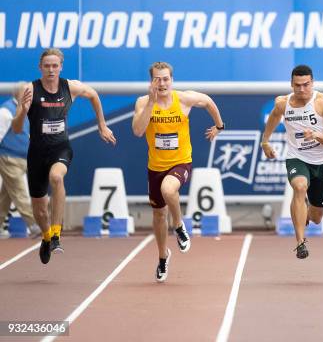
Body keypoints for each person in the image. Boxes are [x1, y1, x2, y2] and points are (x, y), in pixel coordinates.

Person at [12, 48, 116, 264]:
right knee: (39, 209)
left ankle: (57, 234)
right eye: (47, 66)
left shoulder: (71, 87)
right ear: (40, 67)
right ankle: (47, 236)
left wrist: (102, 125)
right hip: (37, 153)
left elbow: (94, 95)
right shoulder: (30, 89)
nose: (51, 69)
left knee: (57, 178)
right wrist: (22, 110)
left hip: (61, 148)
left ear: (61, 67)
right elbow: (16, 128)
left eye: (55, 65)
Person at [132, 61, 224, 282]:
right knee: (157, 214)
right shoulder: (143, 102)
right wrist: (151, 104)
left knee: (169, 189)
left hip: (180, 161)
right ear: (151, 81)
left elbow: (209, 101)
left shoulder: (184, 99)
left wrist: (219, 126)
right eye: (157, 79)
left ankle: (179, 225)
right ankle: (163, 256)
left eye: (165, 79)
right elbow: (137, 131)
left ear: (171, 80)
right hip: (155, 166)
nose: (162, 83)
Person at [261, 65, 323, 259]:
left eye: (306, 85)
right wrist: (265, 141)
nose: (302, 89)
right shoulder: (282, 103)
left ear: (312, 83)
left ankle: (303, 213)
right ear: (291, 84)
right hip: (297, 157)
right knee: (300, 187)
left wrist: (316, 135)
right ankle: (300, 242)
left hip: (321, 162)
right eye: (297, 85)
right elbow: (273, 117)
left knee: (316, 218)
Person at [0, 82, 40, 238]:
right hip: (9, 158)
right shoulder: (5, 111)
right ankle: (35, 226)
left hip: (24, 158)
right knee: (20, 192)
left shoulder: (30, 110)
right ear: (18, 94)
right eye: (27, 92)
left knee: (7, 194)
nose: (30, 95)